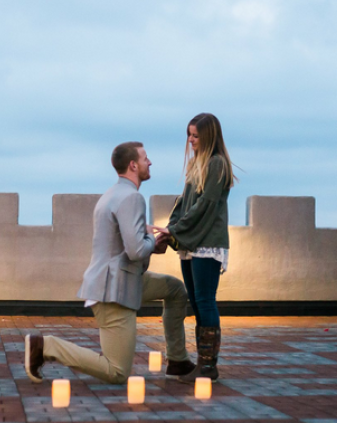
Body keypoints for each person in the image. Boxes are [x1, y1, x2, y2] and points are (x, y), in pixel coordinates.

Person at [24, 141, 195, 384]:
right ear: (133, 165)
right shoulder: (132, 198)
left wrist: (147, 242)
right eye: (146, 158)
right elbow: (136, 251)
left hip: (123, 279)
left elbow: (125, 246)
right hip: (114, 290)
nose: (150, 162)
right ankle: (46, 346)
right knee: (117, 371)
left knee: (175, 290)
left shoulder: (112, 194)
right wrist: (150, 239)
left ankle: (177, 360)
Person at [157, 113, 235, 383]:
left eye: (196, 136)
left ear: (209, 136)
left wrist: (177, 230)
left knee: (204, 300)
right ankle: (202, 362)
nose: (190, 140)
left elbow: (206, 206)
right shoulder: (195, 164)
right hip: (191, 244)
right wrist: (171, 227)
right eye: (189, 135)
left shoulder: (217, 164)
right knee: (197, 302)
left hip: (207, 243)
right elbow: (184, 203)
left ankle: (209, 365)